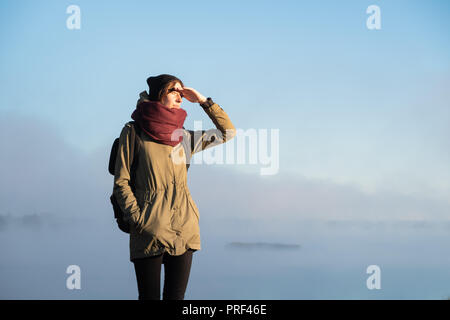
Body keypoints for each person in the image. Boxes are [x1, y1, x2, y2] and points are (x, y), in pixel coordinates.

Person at [112, 74, 236, 300]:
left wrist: (203, 102)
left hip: (184, 229)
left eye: (181, 91)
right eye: (173, 91)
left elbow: (227, 132)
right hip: (149, 230)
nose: (180, 95)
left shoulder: (183, 137)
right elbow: (121, 181)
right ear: (159, 95)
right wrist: (140, 220)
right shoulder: (133, 132)